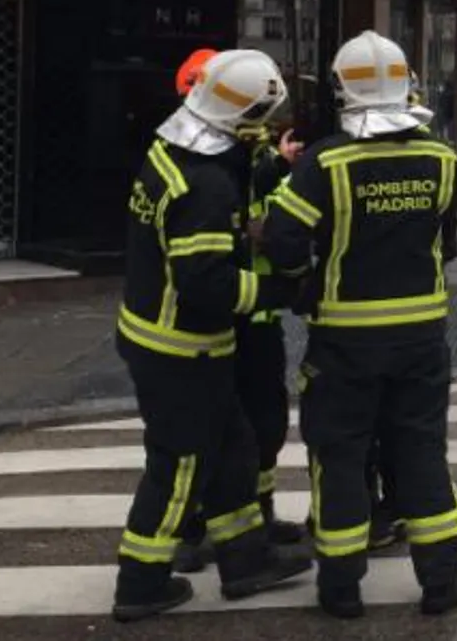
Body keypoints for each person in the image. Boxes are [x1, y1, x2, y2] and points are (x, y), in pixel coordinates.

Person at [263, 30, 457, 619]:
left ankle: (341, 587)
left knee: (341, 458)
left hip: (344, 343)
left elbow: (282, 239)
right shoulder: (440, 158)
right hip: (422, 339)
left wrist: (304, 280)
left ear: (341, 91)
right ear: (406, 88)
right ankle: (442, 581)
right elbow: (446, 242)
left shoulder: (325, 162)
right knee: (423, 453)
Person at [111, 49, 313, 623]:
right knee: (177, 466)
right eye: (264, 120)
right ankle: (141, 580)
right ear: (242, 118)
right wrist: (277, 293)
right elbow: (205, 285)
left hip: (161, 335)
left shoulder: (168, 151)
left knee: (234, 450)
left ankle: (245, 560)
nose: (270, 132)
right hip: (182, 347)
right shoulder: (207, 185)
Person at [165, 49, 305, 575]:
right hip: (213, 317)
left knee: (261, 424)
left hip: (253, 316)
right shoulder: (192, 165)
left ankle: (255, 523)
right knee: (204, 434)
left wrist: (278, 173)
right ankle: (188, 530)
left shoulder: (248, 154)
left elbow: (258, 201)